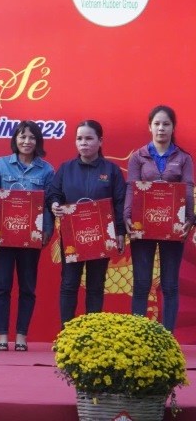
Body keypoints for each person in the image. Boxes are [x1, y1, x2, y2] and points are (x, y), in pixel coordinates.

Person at [0, 121, 53, 352]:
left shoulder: (47, 170)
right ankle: (2, 336)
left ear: (38, 142)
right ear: (15, 140)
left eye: (32, 138)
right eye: (22, 137)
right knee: (2, 286)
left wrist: (47, 231)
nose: (26, 142)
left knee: (27, 288)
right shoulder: (2, 164)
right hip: (2, 236)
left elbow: (50, 203)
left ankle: (21, 335)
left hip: (30, 238)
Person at [48, 120, 126, 328]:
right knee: (69, 284)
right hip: (73, 235)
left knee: (95, 285)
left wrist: (120, 233)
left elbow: (120, 203)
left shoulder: (112, 170)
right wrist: (55, 204)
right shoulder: (66, 168)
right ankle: (67, 334)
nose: (84, 143)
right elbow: (53, 193)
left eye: (89, 138)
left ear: (100, 141)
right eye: (79, 138)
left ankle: (92, 334)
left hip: (101, 235)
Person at [124, 105, 194, 332]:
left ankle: (167, 339)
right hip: (142, 226)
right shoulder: (138, 157)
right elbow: (131, 188)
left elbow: (187, 189)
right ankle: (138, 338)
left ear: (173, 127)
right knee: (142, 284)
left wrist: (189, 219)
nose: (161, 128)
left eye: (166, 124)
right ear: (150, 127)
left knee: (170, 285)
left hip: (174, 228)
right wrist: (127, 216)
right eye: (157, 124)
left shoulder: (183, 158)